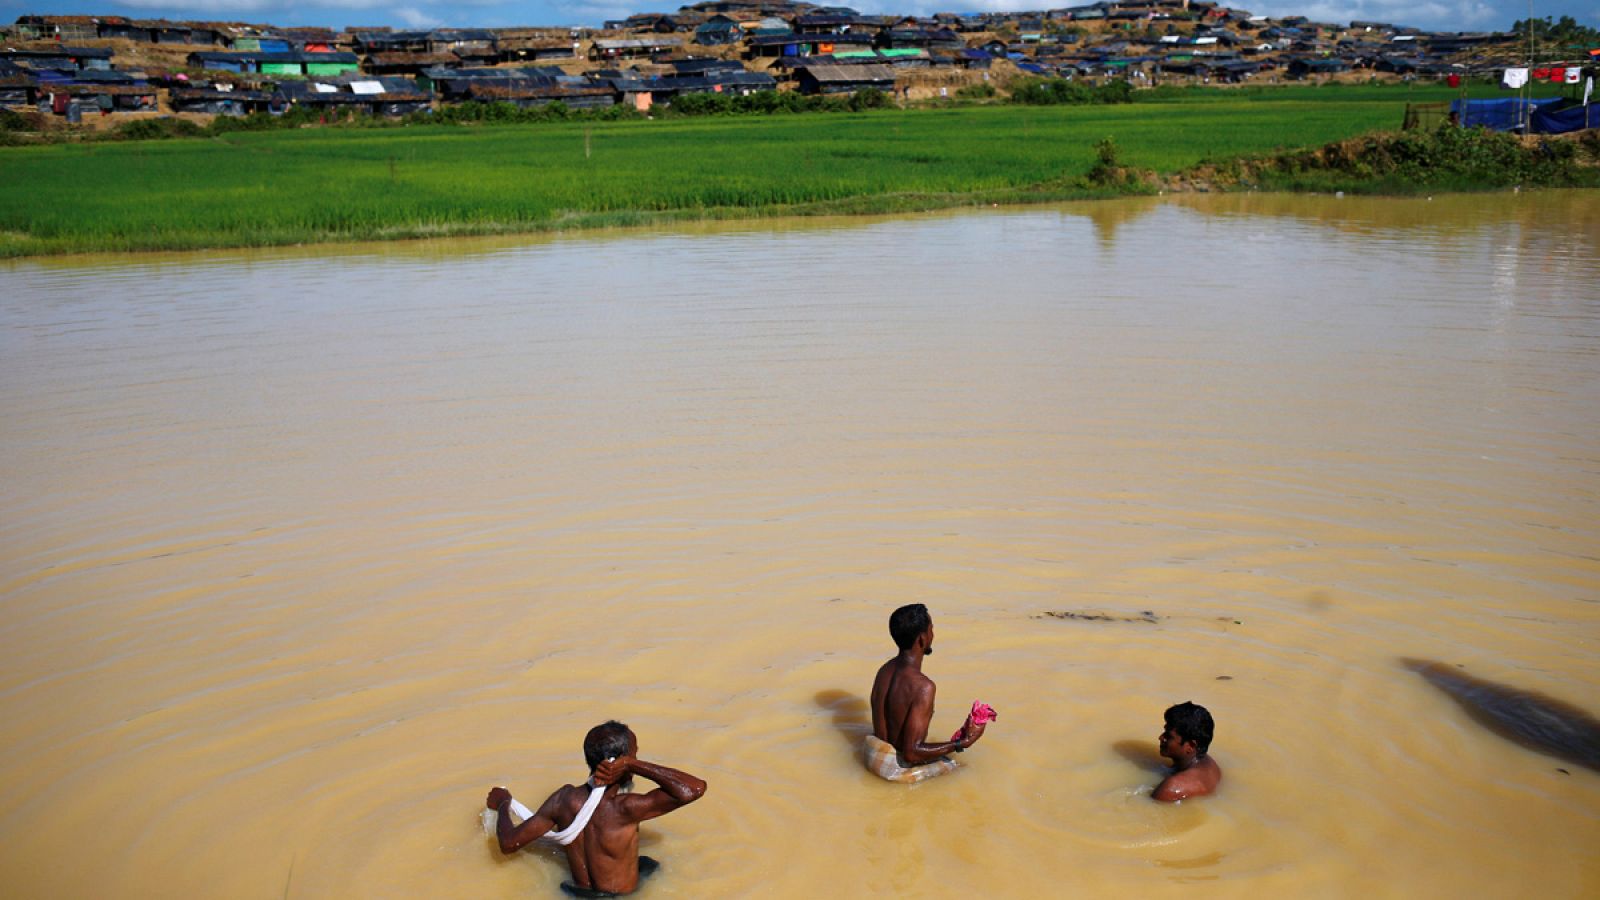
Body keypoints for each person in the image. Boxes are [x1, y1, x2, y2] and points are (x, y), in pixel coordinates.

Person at [486, 721, 706, 897]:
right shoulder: (626, 808)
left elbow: (508, 843)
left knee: (647, 864)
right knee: (651, 866)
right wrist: (632, 765)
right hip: (620, 896)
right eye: (634, 754)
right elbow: (694, 789)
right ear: (619, 762)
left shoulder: (563, 800)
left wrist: (504, 803)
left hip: (578, 894)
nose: (636, 759)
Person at [865, 603, 987, 783]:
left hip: (874, 755)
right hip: (896, 769)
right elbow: (911, 753)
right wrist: (961, 743)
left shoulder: (884, 670)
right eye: (931, 629)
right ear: (922, 639)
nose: (933, 634)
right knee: (967, 771)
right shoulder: (924, 687)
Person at [1154, 701, 1221, 802]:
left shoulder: (1170, 788)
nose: (1160, 738)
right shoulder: (1210, 765)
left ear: (1190, 746)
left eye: (1169, 736)